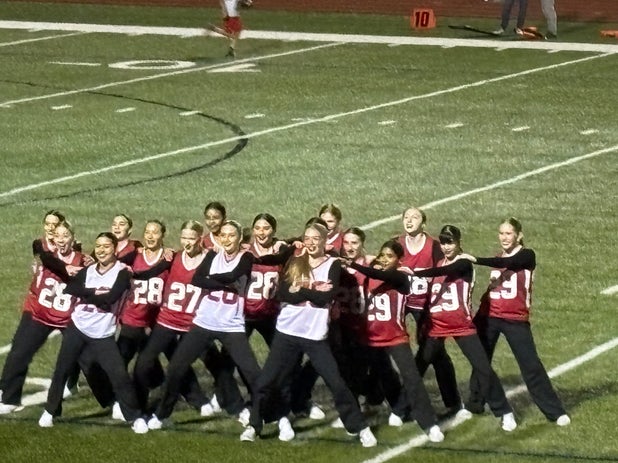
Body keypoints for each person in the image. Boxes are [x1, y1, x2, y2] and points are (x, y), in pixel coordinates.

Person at [240, 222, 377, 448]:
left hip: (315, 336)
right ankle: (254, 425)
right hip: (287, 332)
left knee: (336, 383)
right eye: (308, 238)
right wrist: (311, 291)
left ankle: (360, 428)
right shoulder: (295, 261)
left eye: (316, 239)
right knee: (266, 381)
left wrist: (301, 291)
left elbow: (326, 298)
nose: (311, 243)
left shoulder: (332, 264)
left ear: (324, 241)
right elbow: (284, 294)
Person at [147, 220, 261, 430]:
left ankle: (264, 413)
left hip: (231, 325)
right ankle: (162, 414)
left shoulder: (246, 257)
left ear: (239, 238)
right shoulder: (211, 256)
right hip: (204, 322)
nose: (227, 239)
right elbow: (198, 280)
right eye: (223, 235)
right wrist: (226, 285)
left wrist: (214, 279)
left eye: (232, 235)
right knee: (176, 368)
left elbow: (233, 275)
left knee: (252, 372)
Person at [38, 232, 148, 433]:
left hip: (102, 334)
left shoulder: (122, 272)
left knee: (119, 376)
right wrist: (93, 293)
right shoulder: (88, 270)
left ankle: (134, 417)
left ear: (115, 249)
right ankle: (50, 411)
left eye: (106, 246)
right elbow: (71, 289)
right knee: (62, 370)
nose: (101, 250)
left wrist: (87, 294)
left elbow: (111, 298)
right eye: (98, 246)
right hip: (77, 327)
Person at [410, 225, 517, 432]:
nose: (446, 246)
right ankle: (402, 408)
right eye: (443, 242)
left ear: (459, 242)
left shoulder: (464, 263)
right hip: (438, 326)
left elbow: (447, 271)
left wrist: (418, 272)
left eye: (450, 242)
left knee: (483, 368)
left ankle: (504, 411)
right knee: (418, 366)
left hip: (462, 326)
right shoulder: (439, 262)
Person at [463, 217, 570, 426]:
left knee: (531, 365)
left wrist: (475, 258)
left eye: (508, 233)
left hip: (515, 319)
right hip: (490, 317)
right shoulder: (498, 257)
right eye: (501, 233)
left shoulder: (527, 256)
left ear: (519, 235)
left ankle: (555, 412)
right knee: (481, 361)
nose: (504, 237)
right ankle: (474, 404)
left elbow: (507, 264)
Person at [342, 240, 444, 442]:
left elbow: (383, 275)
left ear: (399, 260)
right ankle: (353, 418)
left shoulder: (401, 276)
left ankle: (429, 424)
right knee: (355, 378)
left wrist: (354, 264)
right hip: (369, 338)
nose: (385, 259)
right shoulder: (367, 274)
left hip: (395, 338)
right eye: (383, 255)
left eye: (390, 256)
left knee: (413, 379)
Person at [0, 221, 85, 414]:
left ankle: (113, 400)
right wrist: (66, 268)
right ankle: (10, 398)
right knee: (20, 353)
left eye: (65, 236)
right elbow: (48, 259)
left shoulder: (83, 260)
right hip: (41, 314)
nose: (61, 240)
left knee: (89, 359)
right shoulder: (46, 256)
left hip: (68, 317)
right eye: (58, 235)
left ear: (73, 238)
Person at [132, 220, 212, 415]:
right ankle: (139, 408)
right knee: (143, 364)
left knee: (190, 364)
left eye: (191, 238)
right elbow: (153, 272)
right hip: (167, 321)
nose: (187, 242)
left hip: (193, 324)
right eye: (184, 237)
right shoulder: (173, 257)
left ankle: (203, 401)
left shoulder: (210, 259)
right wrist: (132, 274)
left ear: (200, 239)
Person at [397, 207, 462, 416]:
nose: (409, 221)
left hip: (425, 305)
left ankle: (452, 401)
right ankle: (380, 396)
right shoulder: (396, 244)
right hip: (401, 303)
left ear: (423, 223)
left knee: (435, 353)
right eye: (406, 217)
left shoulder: (434, 246)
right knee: (381, 345)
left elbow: (446, 269)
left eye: (414, 217)